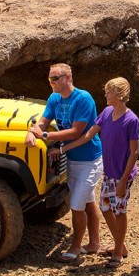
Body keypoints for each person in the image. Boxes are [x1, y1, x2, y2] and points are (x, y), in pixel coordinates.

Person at [52, 77, 139, 268]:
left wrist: (124, 180)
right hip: (108, 172)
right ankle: (120, 245)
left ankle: (117, 252)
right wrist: (62, 150)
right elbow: (88, 135)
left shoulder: (132, 120)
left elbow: (135, 152)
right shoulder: (107, 112)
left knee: (120, 211)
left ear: (117, 94)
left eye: (108, 92)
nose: (105, 95)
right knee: (106, 208)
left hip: (122, 174)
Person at [25, 63, 102, 263]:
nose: (51, 83)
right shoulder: (54, 98)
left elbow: (77, 131)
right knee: (87, 200)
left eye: (55, 78)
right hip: (71, 158)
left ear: (68, 77)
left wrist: (45, 134)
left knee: (76, 204)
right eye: (50, 79)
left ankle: (75, 247)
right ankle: (94, 243)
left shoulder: (83, 98)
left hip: (89, 158)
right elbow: (43, 121)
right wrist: (31, 132)